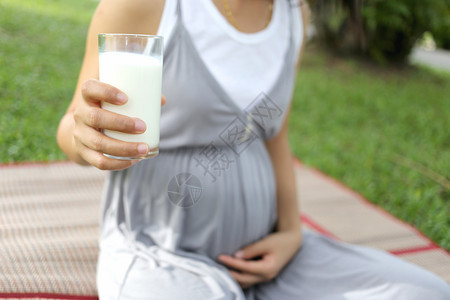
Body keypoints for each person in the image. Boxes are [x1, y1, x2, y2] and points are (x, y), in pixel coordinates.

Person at [57, 0, 450, 299]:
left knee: (426, 292)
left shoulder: (293, 15)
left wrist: (292, 233)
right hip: (159, 248)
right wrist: (82, 137)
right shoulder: (146, 6)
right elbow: (75, 121)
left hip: (268, 254)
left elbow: (274, 134)